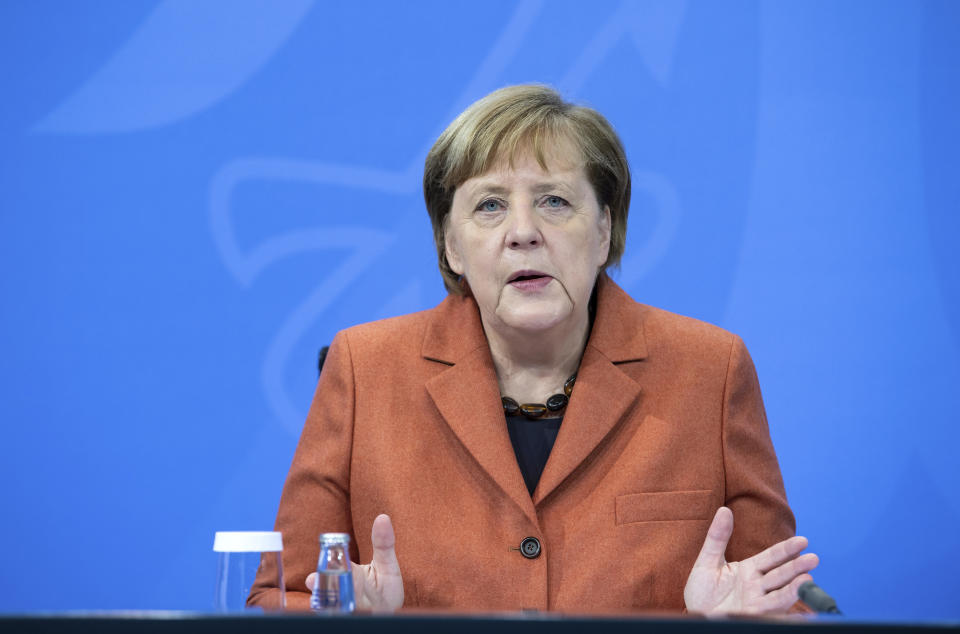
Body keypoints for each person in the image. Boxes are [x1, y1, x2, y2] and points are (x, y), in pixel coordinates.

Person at [249, 84, 818, 613]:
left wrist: (731, 625)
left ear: (603, 231)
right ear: (451, 245)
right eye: (490, 205)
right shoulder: (364, 369)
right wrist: (343, 622)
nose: (522, 231)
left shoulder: (708, 371)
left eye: (553, 201)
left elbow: (782, 599)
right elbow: (280, 600)